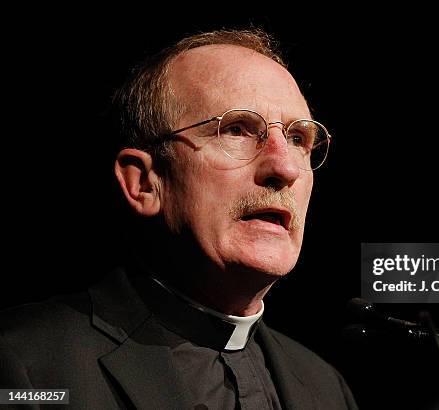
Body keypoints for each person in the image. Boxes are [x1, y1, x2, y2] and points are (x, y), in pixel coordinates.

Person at [0, 29, 357, 409]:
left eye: (299, 139)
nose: (284, 167)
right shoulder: (26, 364)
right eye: (236, 130)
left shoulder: (327, 388)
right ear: (144, 183)